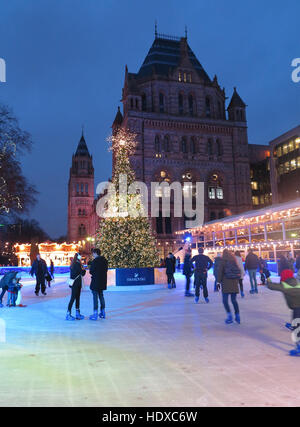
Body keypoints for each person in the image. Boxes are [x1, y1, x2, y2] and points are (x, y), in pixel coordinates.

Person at [267, 268, 300, 356]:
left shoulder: (284, 285)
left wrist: (268, 278)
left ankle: (298, 348)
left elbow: (271, 286)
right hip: (297, 309)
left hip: (297, 309)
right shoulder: (298, 283)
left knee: (296, 330)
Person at [217, 249, 241, 324]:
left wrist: (218, 282)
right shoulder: (234, 261)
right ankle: (237, 315)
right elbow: (238, 271)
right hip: (234, 283)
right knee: (234, 300)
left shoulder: (222, 262)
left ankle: (229, 316)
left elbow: (219, 272)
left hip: (226, 283)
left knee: (225, 300)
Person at [89, 248, 108, 321]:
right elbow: (106, 270)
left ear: (96, 253)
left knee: (95, 297)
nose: (93, 255)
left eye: (93, 253)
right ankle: (103, 312)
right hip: (102, 281)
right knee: (101, 296)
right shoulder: (105, 260)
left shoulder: (95, 261)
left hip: (95, 282)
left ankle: (95, 313)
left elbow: (91, 271)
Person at [66, 253, 86, 321]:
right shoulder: (77, 264)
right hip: (76, 284)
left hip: (74, 283)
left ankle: (75, 313)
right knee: (75, 298)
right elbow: (82, 273)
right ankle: (70, 314)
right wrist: (84, 269)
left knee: (75, 298)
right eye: (80, 255)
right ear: (78, 257)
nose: (81, 257)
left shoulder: (73, 263)